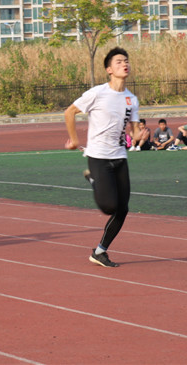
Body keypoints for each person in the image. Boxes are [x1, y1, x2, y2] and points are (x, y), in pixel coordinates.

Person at [64, 47, 140, 268]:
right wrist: (74, 140)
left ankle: (100, 252)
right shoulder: (97, 93)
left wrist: (138, 135)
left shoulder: (132, 99)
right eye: (119, 62)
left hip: (120, 157)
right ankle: (94, 180)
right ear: (109, 69)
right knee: (108, 207)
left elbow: (134, 131)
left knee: (122, 209)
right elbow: (69, 112)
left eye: (126, 61)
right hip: (98, 156)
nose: (124, 64)